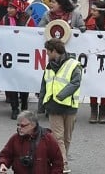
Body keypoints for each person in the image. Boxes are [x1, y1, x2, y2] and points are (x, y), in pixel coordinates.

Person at [38, 38, 81, 170]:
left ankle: (61, 160)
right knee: (58, 138)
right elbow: (44, 86)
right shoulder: (49, 67)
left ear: (54, 51)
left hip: (69, 106)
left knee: (67, 138)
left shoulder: (74, 64)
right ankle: (63, 164)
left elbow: (75, 83)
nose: (46, 54)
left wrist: (61, 95)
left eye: (48, 52)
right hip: (53, 106)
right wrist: (41, 106)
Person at [0, 110, 64, 174]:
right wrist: (2, 164)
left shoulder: (47, 138)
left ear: (33, 125)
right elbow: (5, 155)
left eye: (22, 125)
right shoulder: (15, 138)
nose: (19, 128)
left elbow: (58, 162)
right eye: (18, 125)